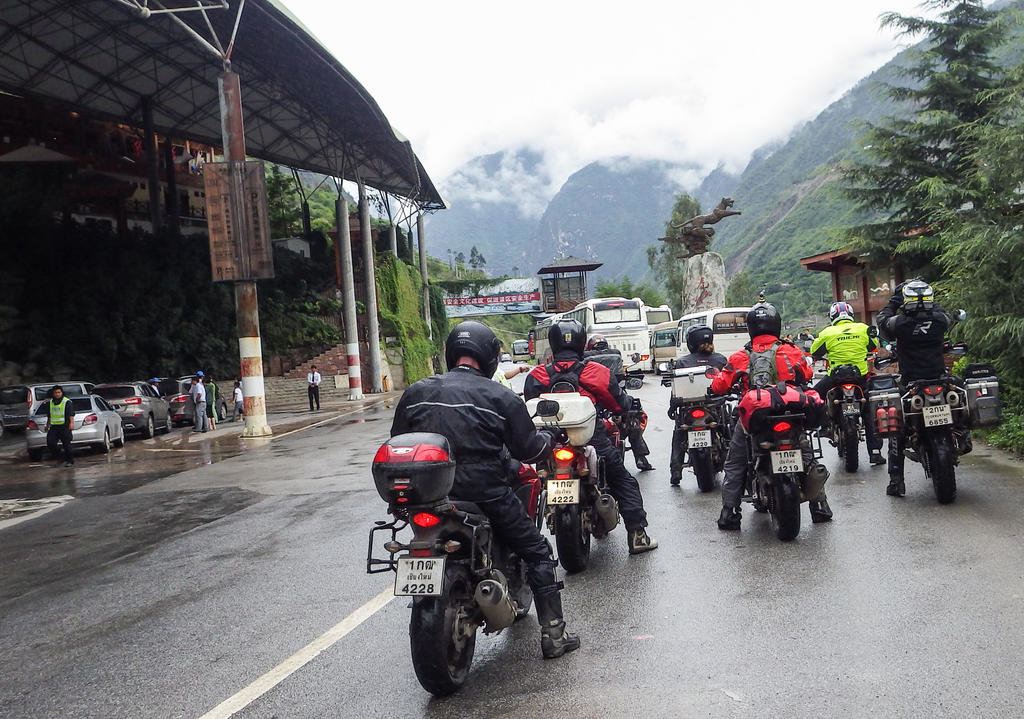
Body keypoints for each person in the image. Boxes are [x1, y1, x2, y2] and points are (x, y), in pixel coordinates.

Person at [391, 320, 580, 659]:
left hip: (429, 496)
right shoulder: (499, 396)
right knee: (538, 551)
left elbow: (399, 439)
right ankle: (554, 635)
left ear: (452, 352)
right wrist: (549, 437)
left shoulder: (416, 392)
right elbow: (529, 451)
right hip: (485, 493)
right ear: (490, 357)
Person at [525, 320, 658, 554]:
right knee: (623, 481)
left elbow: (530, 407)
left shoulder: (537, 375)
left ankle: (525, 549)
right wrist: (626, 406)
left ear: (553, 344)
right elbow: (618, 404)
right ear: (580, 343)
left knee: (531, 480)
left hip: (550, 440)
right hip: (591, 437)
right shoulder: (594, 372)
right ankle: (638, 536)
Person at [709, 302, 830, 530]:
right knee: (806, 456)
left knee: (736, 462)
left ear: (751, 327)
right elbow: (807, 373)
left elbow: (720, 385)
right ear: (777, 325)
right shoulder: (791, 350)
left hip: (757, 415)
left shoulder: (741, 356)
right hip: (791, 412)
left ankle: (729, 513)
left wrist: (715, 387)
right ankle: (820, 506)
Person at [875, 279, 957, 497]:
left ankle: (896, 481)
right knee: (960, 395)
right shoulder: (940, 320)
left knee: (897, 429)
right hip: (940, 378)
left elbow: (882, 320)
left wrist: (895, 299)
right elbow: (946, 315)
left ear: (905, 300)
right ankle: (961, 433)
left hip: (910, 383)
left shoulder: (899, 324)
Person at [810, 301, 885, 466]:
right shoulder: (863, 328)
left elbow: (814, 351)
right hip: (860, 377)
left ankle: (824, 426)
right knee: (870, 412)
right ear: (850, 315)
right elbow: (874, 346)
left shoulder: (827, 332)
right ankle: (875, 452)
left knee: (814, 396)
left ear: (832, 316)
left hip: (835, 377)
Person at [583, 335, 653, 471]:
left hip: (595, 399)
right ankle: (641, 458)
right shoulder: (615, 354)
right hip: (614, 397)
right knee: (633, 420)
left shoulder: (585, 357)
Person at [669, 324, 728, 485]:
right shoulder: (721, 359)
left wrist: (672, 408)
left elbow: (676, 392)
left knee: (679, 433)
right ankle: (737, 467)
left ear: (690, 342)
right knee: (727, 429)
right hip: (714, 406)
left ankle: (675, 471)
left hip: (689, 408)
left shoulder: (682, 362)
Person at [43, 385, 75, 466]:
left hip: (65, 426)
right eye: (55, 393)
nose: (57, 394)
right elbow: (49, 415)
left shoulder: (67, 402)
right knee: (50, 443)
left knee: (66, 444)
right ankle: (61, 457)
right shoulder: (50, 402)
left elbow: (71, 414)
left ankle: (70, 461)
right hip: (54, 427)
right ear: (53, 394)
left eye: (59, 392)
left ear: (61, 393)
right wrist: (47, 425)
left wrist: (71, 423)